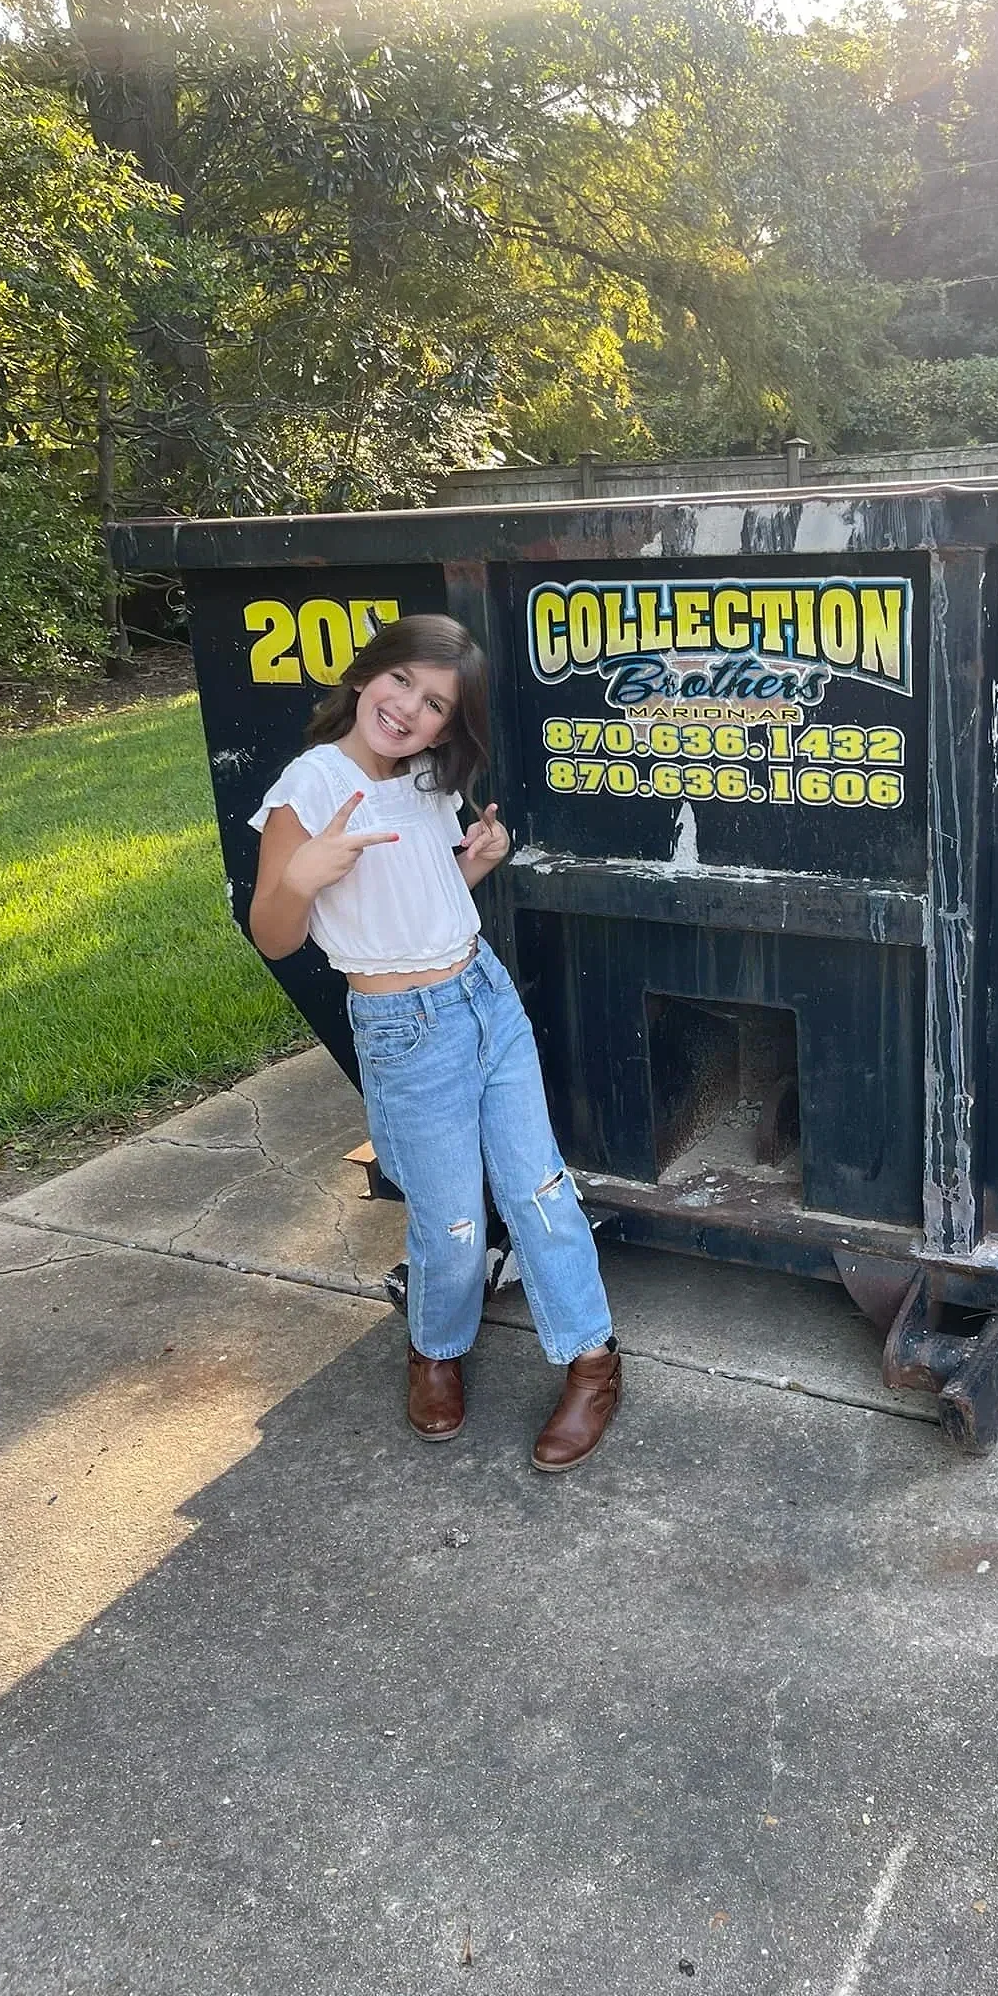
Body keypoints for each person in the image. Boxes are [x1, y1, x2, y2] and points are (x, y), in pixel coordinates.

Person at [247, 612, 620, 1467]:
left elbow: (415, 904)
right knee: (450, 1219)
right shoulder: (307, 789)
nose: (410, 708)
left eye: (437, 704)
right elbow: (273, 935)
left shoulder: (423, 781)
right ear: (364, 675)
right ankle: (436, 1350)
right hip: (403, 1031)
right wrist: (300, 877)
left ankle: (593, 1360)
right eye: (402, 681)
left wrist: (473, 870)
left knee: (539, 1190)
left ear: (450, 726)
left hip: (482, 996)